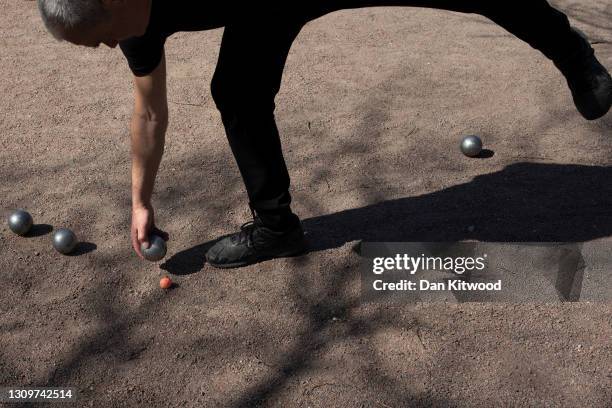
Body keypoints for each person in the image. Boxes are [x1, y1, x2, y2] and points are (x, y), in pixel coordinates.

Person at [37, 0, 612, 268]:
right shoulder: (136, 29)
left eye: (100, 38)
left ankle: (570, 51)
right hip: (260, 6)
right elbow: (149, 115)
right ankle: (277, 227)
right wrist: (140, 202)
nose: (107, 49)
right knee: (236, 91)